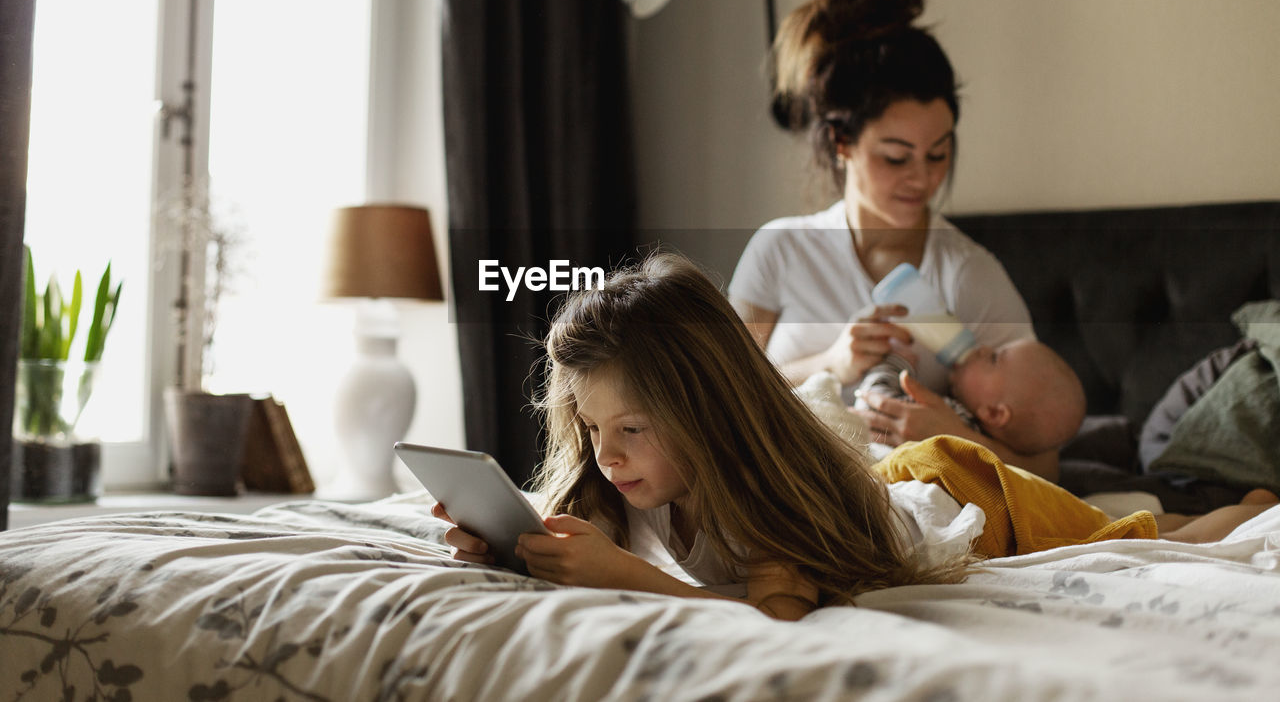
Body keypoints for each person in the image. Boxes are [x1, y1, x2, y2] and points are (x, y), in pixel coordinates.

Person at [434, 254, 1278, 620]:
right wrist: (513, 542)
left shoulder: (753, 495)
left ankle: (1248, 503)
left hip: (966, 489)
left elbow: (778, 614)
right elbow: (588, 530)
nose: (606, 454)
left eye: (629, 428)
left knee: (1143, 534)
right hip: (895, 481)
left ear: (709, 413)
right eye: (590, 428)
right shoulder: (632, 476)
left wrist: (624, 575)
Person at [728, 0, 1038, 467]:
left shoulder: (967, 274)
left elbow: (1047, 469)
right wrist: (832, 363)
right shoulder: (780, 249)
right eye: (896, 157)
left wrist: (958, 438)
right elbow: (715, 394)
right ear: (841, 142)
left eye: (938, 154)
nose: (923, 177)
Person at [851, 338, 1086, 482]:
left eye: (994, 358)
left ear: (994, 414)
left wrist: (896, 363)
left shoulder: (955, 418)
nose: (982, 348)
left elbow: (874, 406)